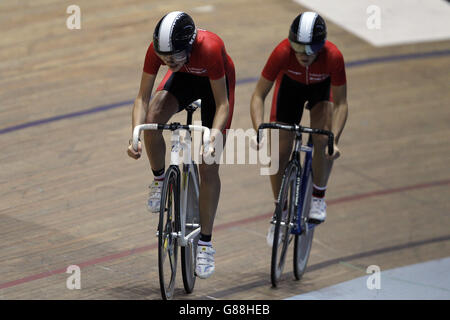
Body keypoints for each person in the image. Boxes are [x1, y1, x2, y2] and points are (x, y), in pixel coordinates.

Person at [127, 11, 235, 279]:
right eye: (163, 57)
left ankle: (206, 244)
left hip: (215, 88)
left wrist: (213, 137)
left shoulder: (210, 48)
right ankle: (159, 179)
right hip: (184, 80)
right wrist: (135, 134)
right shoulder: (160, 51)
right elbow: (142, 97)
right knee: (153, 119)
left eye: (173, 57)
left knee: (208, 165)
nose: (166, 61)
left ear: (189, 46)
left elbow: (223, 105)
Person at [250, 12, 348, 230]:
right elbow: (258, 95)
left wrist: (335, 140)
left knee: (323, 140)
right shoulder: (282, 52)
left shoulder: (333, 56)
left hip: (320, 91)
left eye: (310, 48)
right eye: (298, 46)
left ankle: (318, 197)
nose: (303, 54)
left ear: (321, 45)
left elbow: (341, 103)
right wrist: (258, 130)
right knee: (278, 152)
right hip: (289, 90)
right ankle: (280, 208)